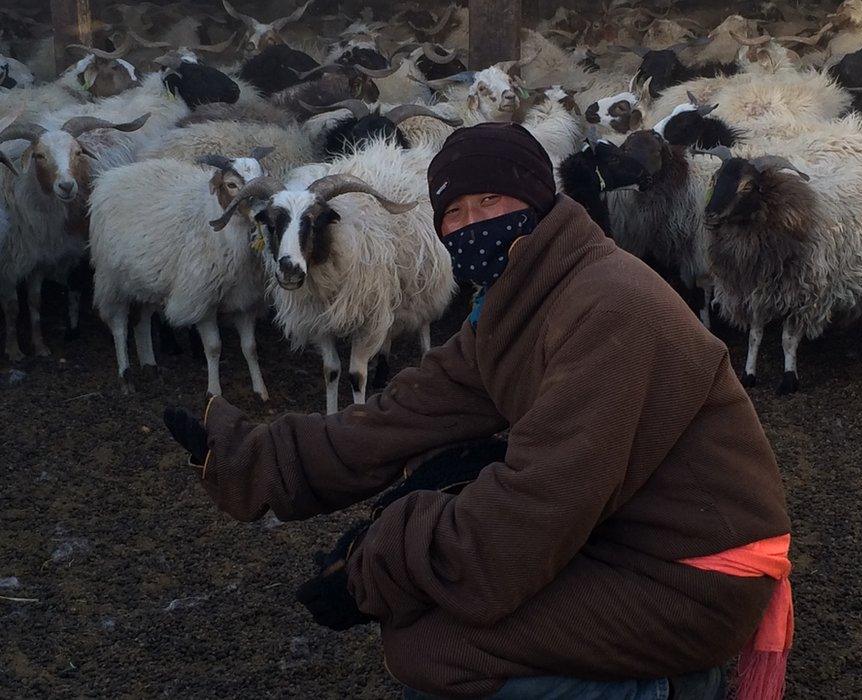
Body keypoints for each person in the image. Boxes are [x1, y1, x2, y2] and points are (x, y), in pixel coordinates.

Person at [164, 122, 792, 700]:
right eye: (454, 213)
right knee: (427, 624)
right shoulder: (517, 303)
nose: (471, 225)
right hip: (625, 532)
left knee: (434, 648)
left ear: (537, 202)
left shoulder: (609, 305)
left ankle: (675, 687)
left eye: (490, 202)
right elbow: (406, 414)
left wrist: (379, 560)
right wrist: (260, 457)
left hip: (693, 574)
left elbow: (540, 505)